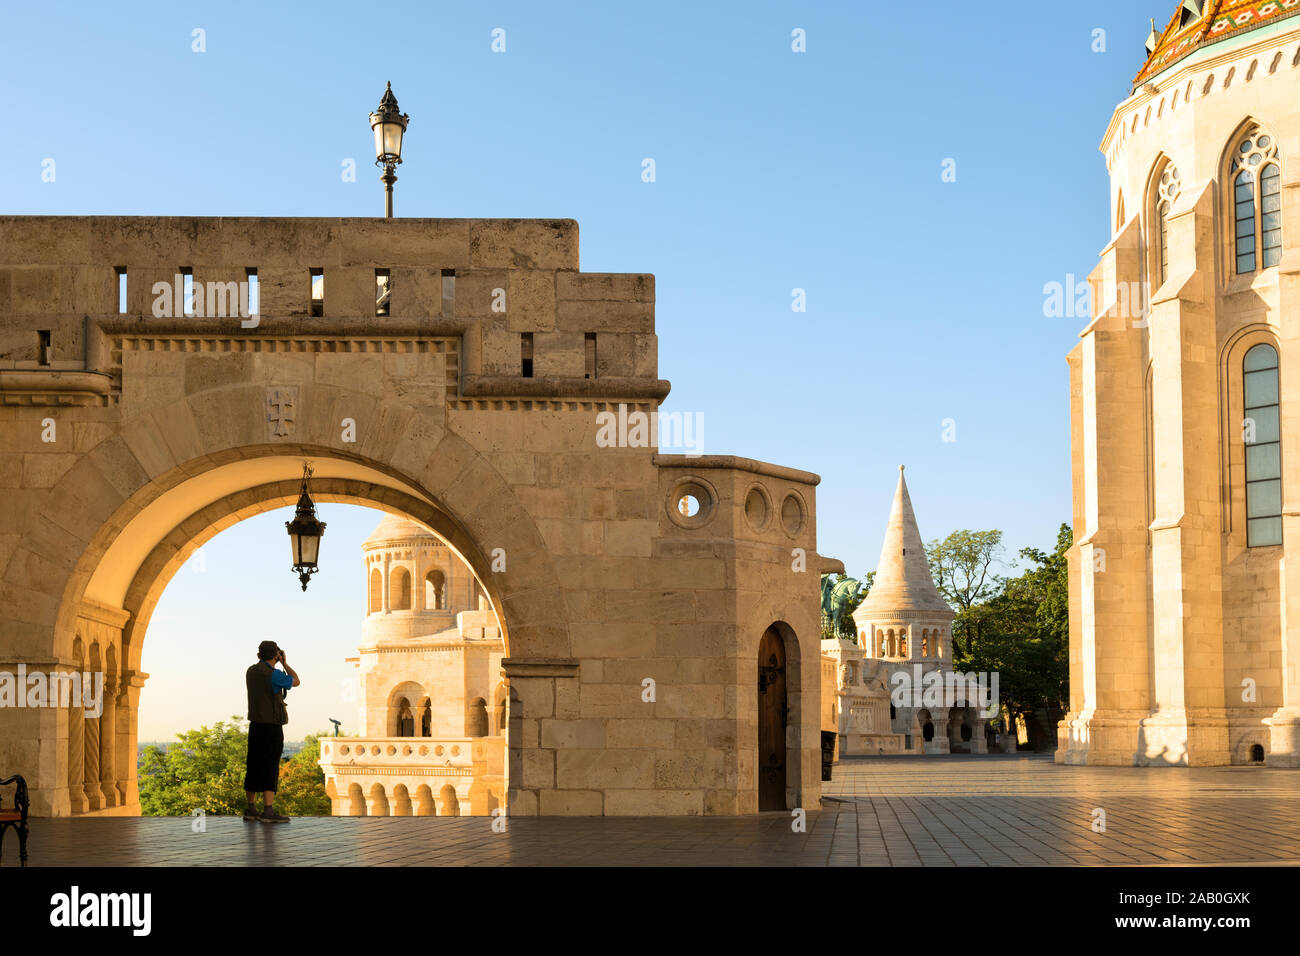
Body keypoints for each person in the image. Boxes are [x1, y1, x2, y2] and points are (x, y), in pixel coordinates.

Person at [243, 640, 300, 823]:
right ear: (276, 654)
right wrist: (284, 663)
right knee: (270, 766)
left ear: (259, 655)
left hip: (255, 725)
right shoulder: (274, 675)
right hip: (271, 727)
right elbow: (296, 681)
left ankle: (251, 808)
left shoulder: (251, 672)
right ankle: (268, 810)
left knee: (253, 765)